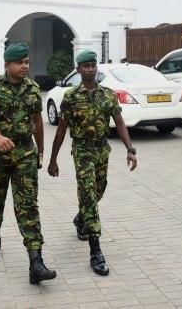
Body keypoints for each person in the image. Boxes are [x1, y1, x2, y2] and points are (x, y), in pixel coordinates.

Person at [47, 50, 138, 276]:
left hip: (102, 150)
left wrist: (130, 149)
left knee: (99, 189)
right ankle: (95, 252)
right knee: (88, 195)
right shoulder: (70, 97)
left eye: (93, 65)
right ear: (78, 69)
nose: (90, 69)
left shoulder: (108, 95)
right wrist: (53, 159)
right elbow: (61, 130)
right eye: (86, 66)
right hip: (82, 151)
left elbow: (119, 122)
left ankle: (81, 218)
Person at [0, 43, 56, 285]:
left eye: (27, 62)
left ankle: (36, 261)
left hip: (25, 153)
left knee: (28, 205)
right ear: (7, 65)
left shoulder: (33, 88)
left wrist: (41, 150)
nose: (25, 66)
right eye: (19, 62)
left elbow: (38, 121)